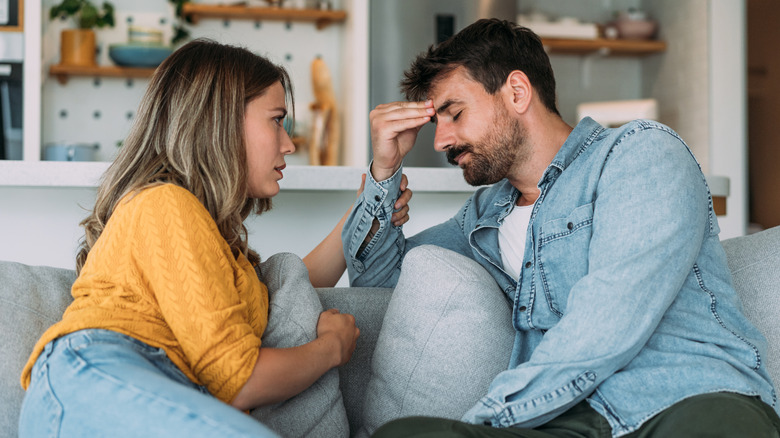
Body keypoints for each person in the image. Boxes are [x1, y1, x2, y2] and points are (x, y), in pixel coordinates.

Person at [342, 18, 780, 437]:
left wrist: (487, 420)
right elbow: (378, 282)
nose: (440, 141)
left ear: (516, 92)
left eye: (454, 113)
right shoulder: (484, 217)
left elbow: (608, 319)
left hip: (685, 399)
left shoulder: (639, 153)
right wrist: (384, 169)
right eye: (436, 123)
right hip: (571, 420)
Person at [18, 39, 411, 438]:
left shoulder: (215, 244)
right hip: (99, 376)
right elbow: (238, 381)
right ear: (220, 120)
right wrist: (330, 348)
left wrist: (375, 195)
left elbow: (293, 283)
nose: (289, 143)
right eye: (277, 119)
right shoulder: (164, 203)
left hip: (136, 385)